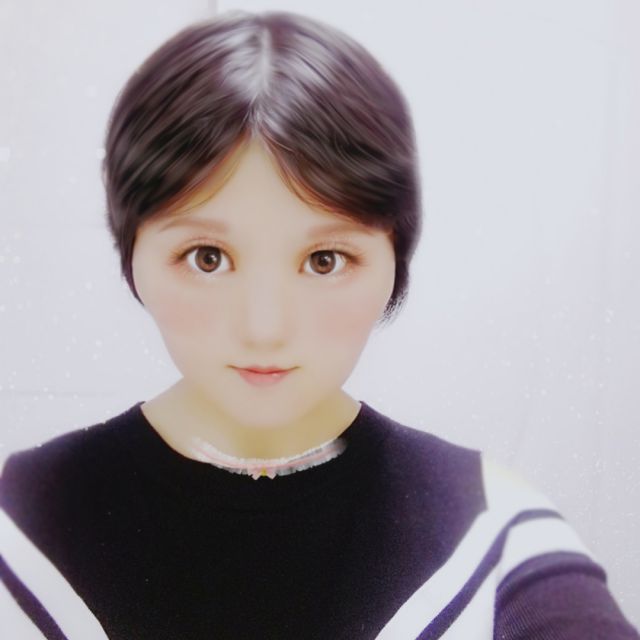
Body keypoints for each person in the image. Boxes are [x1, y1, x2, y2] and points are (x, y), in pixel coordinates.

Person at [0, 10, 637, 640]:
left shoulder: (496, 539)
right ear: (132, 254)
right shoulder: (19, 527)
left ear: (395, 259)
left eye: (324, 260)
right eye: (208, 258)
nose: (265, 328)